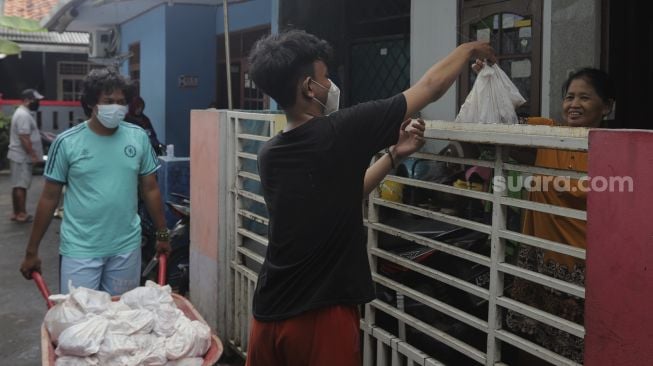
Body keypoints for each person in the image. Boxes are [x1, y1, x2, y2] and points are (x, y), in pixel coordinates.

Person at [244, 30, 494, 366]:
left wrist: (394, 156)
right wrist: (468, 48)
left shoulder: (269, 154)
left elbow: (343, 195)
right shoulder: (340, 131)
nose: (330, 85)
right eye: (325, 77)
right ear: (308, 88)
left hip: (267, 314)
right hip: (321, 314)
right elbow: (430, 87)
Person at [470, 64, 614, 364]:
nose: (574, 105)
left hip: (591, 267)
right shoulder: (545, 135)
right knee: (536, 343)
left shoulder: (618, 151)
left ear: (607, 106)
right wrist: (489, 79)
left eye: (584, 98)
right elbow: (499, 122)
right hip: (541, 263)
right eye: (569, 97)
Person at [19, 68, 171, 296]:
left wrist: (162, 234)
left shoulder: (138, 137)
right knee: (80, 324)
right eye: (108, 101)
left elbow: (150, 189)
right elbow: (49, 198)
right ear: (91, 103)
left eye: (121, 102)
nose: (116, 107)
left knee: (121, 320)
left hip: (126, 249)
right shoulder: (67, 143)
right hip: (80, 251)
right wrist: (32, 250)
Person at [7, 89, 44, 223]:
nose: (38, 102)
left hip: (19, 156)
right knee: (21, 186)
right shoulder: (23, 115)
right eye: (36, 100)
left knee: (17, 185)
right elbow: (24, 137)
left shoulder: (23, 113)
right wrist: (33, 155)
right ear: (27, 100)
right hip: (21, 157)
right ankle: (21, 214)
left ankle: (16, 213)